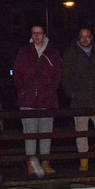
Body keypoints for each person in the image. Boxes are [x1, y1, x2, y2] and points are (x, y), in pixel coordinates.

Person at [61, 27, 95, 173]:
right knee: (81, 133)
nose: (85, 39)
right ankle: (83, 162)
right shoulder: (70, 54)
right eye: (82, 37)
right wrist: (72, 93)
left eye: (88, 36)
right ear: (78, 38)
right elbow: (65, 76)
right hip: (80, 101)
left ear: (92, 37)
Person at [12, 24, 62, 178]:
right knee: (30, 134)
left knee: (46, 133)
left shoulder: (52, 53)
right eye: (34, 33)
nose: (37, 36)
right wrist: (24, 90)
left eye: (39, 33)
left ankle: (45, 163)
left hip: (47, 100)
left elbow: (58, 75)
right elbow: (17, 74)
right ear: (31, 35)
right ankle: (32, 165)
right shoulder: (24, 52)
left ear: (44, 35)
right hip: (28, 100)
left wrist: (50, 91)